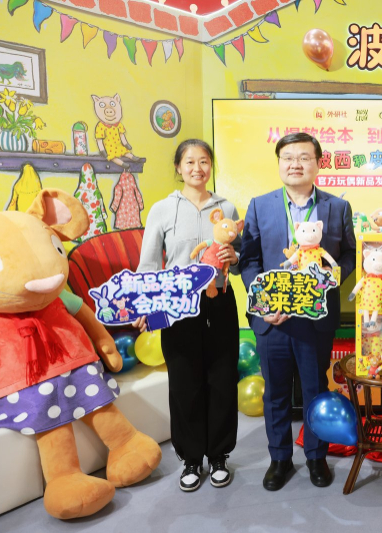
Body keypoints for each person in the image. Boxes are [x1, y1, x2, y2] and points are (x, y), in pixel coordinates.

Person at [241, 132, 356, 492]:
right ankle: (279, 459)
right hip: (273, 320)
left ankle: (316, 457)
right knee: (275, 393)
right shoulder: (259, 205)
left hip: (314, 319)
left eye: (304, 157)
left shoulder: (337, 207)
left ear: (318, 164)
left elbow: (349, 254)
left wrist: (330, 278)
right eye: (288, 157)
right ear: (279, 164)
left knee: (315, 390)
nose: (295, 164)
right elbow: (249, 260)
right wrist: (265, 302)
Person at [135, 139, 242, 492]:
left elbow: (238, 258)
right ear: (178, 168)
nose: (198, 168)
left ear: (211, 166)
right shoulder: (162, 209)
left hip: (220, 300)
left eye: (204, 161)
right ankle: (191, 459)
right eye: (190, 162)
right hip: (177, 304)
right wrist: (145, 303)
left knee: (222, 378)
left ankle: (220, 456)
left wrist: (234, 258)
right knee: (184, 382)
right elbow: (149, 263)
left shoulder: (227, 207)